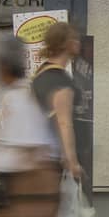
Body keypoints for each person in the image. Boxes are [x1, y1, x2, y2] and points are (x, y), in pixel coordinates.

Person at [0, 35, 59, 217]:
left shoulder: (18, 98)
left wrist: (23, 202)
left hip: (19, 187)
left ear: (5, 67)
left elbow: (30, 148)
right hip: (15, 187)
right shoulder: (19, 94)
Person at [31, 22, 85, 187]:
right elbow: (64, 122)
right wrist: (72, 161)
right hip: (57, 159)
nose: (79, 42)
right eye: (75, 39)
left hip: (43, 155)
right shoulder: (59, 79)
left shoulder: (41, 73)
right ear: (66, 43)